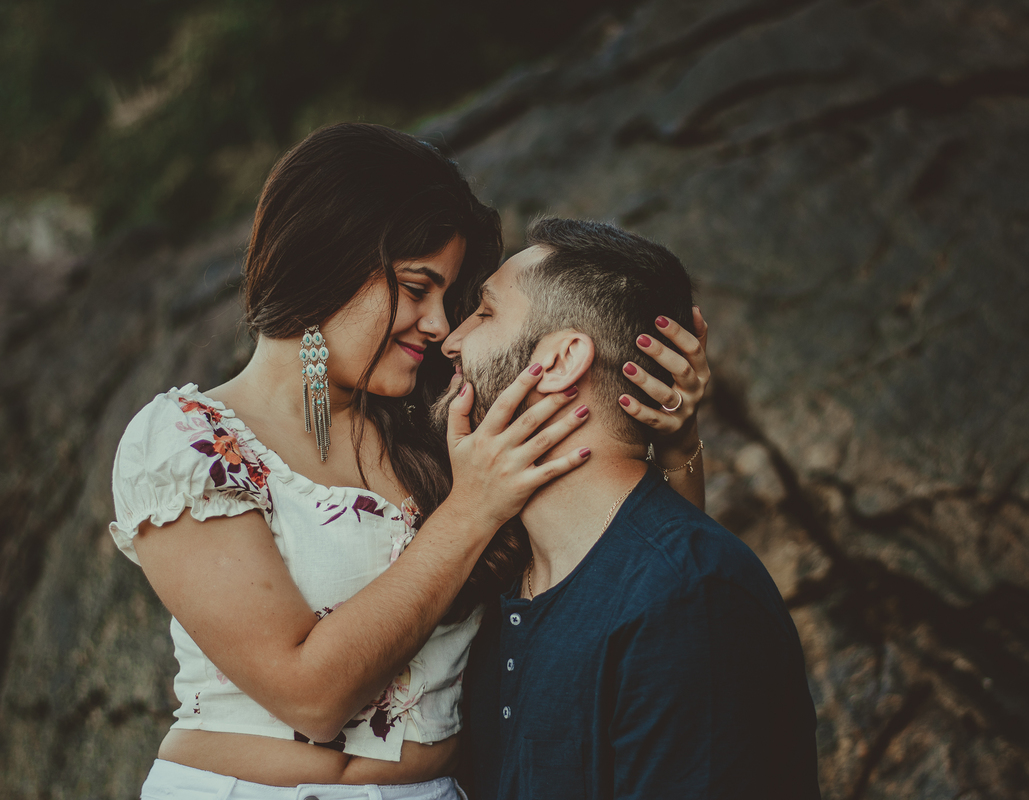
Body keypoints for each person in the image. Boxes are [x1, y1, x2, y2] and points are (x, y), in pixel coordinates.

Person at [107, 124, 710, 799]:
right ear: (327, 261)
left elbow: (637, 576)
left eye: (450, 299)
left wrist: (675, 442)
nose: (439, 324)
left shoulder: (444, 429)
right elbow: (309, 696)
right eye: (418, 288)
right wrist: (470, 512)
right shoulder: (188, 441)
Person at [434, 218, 822, 800]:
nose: (451, 340)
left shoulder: (692, 596)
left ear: (562, 360)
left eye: (485, 313)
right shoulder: (509, 582)